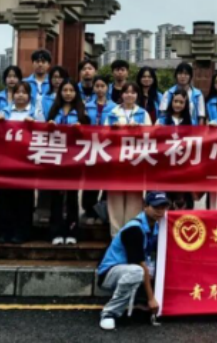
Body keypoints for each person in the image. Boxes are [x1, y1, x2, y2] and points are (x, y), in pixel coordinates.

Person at [97, 192, 168, 332]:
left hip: (129, 268)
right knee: (137, 271)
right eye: (156, 207)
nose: (160, 211)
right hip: (109, 273)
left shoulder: (156, 226)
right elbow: (139, 265)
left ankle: (139, 301)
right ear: (145, 206)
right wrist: (151, 298)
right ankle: (109, 313)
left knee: (161, 267)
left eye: (163, 207)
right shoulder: (134, 229)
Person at [0, 82, 42, 244]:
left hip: (26, 163)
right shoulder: (5, 111)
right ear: (12, 95)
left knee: (24, 198)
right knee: (4, 197)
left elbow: (43, 132)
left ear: (29, 96)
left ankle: (22, 232)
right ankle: (4, 231)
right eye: (17, 92)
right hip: (5, 162)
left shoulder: (35, 112)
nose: (20, 95)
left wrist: (34, 123)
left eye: (24, 92)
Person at [46, 80, 90, 246]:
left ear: (76, 93)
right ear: (60, 92)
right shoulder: (54, 110)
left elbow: (89, 133)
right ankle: (56, 231)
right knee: (56, 196)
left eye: (72, 90)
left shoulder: (81, 111)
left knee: (72, 196)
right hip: (56, 158)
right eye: (65, 90)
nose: (68, 93)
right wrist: (49, 126)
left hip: (74, 159)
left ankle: (72, 231)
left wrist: (81, 128)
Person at [105, 83, 151, 236]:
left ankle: (131, 236)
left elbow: (151, 137)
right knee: (115, 202)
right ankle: (116, 237)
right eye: (126, 92)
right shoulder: (112, 113)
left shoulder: (143, 114)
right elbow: (102, 137)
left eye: (133, 92)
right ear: (121, 95)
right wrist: (112, 130)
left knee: (134, 202)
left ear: (137, 95)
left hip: (135, 164)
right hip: (115, 163)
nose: (129, 95)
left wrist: (140, 129)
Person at [83, 76, 119, 224]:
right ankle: (89, 211)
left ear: (107, 88)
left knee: (106, 181)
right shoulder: (87, 106)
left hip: (108, 148)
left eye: (102, 86)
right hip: (91, 147)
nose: (99, 89)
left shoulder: (115, 107)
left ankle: (103, 212)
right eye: (97, 86)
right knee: (91, 180)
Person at [157, 88, 197, 211]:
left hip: (183, 165)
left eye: (181, 102)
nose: (178, 105)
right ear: (171, 102)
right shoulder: (161, 120)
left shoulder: (192, 123)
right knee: (165, 199)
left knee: (182, 199)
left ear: (186, 104)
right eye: (175, 101)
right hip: (165, 165)